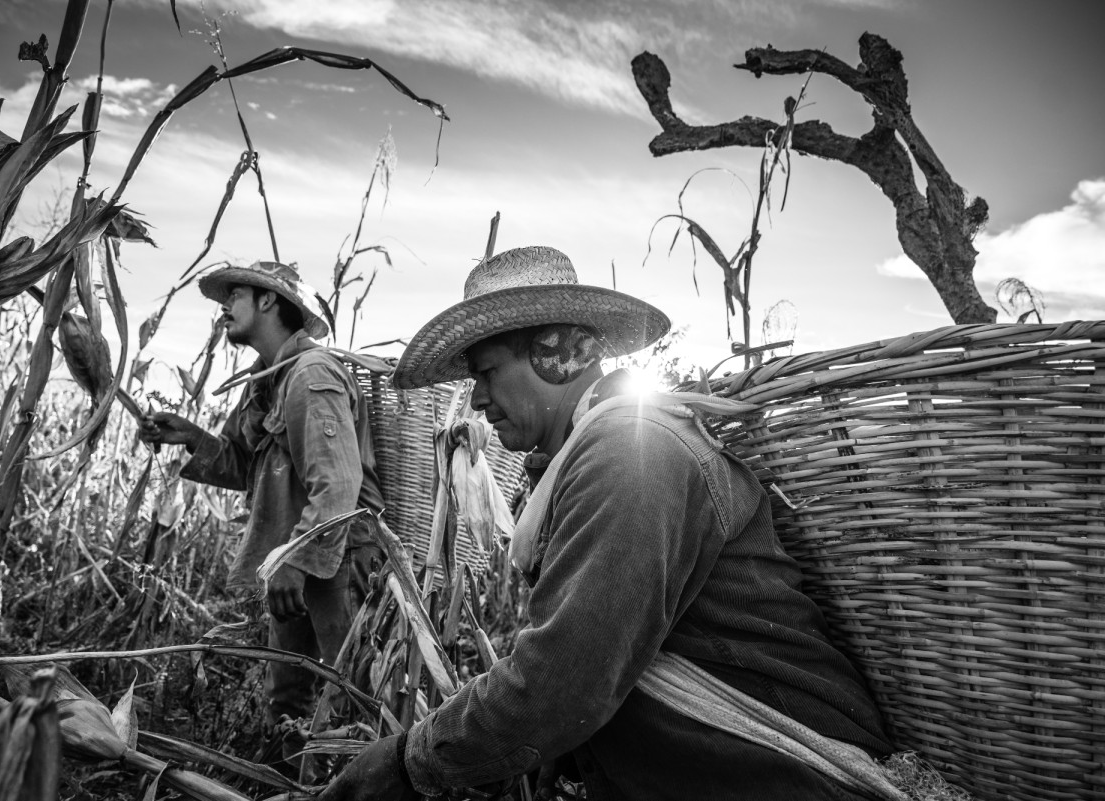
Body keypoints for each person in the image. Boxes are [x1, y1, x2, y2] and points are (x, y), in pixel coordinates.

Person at [320, 245, 893, 800]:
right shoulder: (582, 460)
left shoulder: (630, 452)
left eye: (488, 372)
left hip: (780, 770)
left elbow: (562, 683)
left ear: (558, 353)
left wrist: (407, 762)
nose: (475, 400)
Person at [138, 260, 385, 776]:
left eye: (235, 295)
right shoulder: (266, 382)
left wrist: (295, 562)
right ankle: (296, 786)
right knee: (287, 698)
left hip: (335, 557)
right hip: (295, 559)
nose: (223, 307)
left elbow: (337, 484)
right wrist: (190, 436)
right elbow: (243, 465)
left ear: (269, 301)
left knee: (351, 699)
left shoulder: (312, 375)